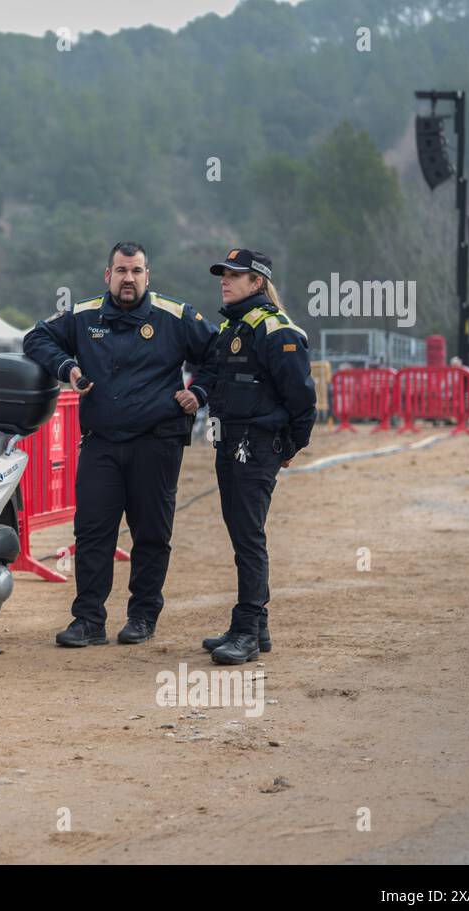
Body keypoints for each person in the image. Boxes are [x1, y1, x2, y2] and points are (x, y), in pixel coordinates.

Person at [23, 241, 216, 648]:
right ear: (107, 275)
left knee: (151, 534)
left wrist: (198, 392)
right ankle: (88, 620)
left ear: (148, 275)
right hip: (101, 444)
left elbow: (216, 357)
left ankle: (143, 617)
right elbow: (36, 338)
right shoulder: (83, 315)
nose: (129, 279)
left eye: (137, 271)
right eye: (121, 271)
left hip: (157, 444)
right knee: (93, 534)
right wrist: (68, 368)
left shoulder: (176, 316)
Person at [176, 249, 315, 664]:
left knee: (250, 538)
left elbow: (303, 399)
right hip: (231, 442)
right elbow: (216, 376)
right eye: (223, 274)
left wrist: (289, 447)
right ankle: (258, 627)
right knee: (242, 536)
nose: (225, 280)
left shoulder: (277, 330)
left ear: (257, 283)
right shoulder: (234, 326)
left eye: (235, 275)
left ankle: (246, 631)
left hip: (257, 446)